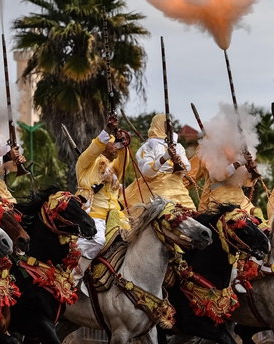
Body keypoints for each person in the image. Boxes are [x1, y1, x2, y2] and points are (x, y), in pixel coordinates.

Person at [72, 115, 129, 293]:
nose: (116, 147)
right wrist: (108, 131)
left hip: (114, 216)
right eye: (114, 144)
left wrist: (122, 142)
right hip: (91, 216)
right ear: (103, 145)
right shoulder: (86, 163)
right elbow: (93, 150)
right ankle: (74, 277)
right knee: (97, 240)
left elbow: (124, 161)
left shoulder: (113, 168)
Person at [124, 114, 194, 210]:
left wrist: (178, 162)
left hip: (178, 187)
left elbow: (187, 168)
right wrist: (164, 158)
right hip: (157, 187)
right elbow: (146, 171)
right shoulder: (148, 146)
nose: (171, 127)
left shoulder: (178, 147)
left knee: (193, 214)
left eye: (171, 124)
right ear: (159, 126)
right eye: (167, 124)